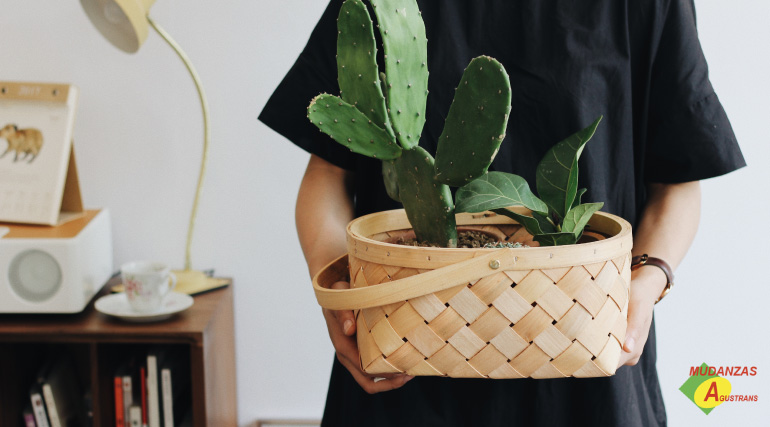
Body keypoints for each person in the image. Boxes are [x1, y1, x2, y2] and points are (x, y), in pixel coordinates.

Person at [259, 0, 745, 425]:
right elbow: (326, 176)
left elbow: (678, 184)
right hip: (405, 365)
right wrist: (336, 296)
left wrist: (649, 280)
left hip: (584, 364)